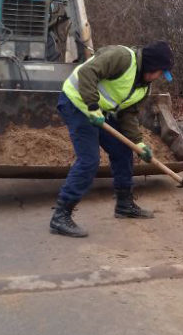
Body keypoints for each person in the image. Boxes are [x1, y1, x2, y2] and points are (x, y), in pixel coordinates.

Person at [50, 41, 175, 237]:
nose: (159, 77)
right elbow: (87, 72)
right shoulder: (122, 58)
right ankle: (61, 215)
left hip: (98, 112)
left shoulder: (143, 88)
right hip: (75, 102)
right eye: (160, 72)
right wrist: (92, 106)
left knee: (123, 150)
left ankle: (124, 205)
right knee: (89, 160)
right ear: (151, 66)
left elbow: (128, 115)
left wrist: (138, 143)